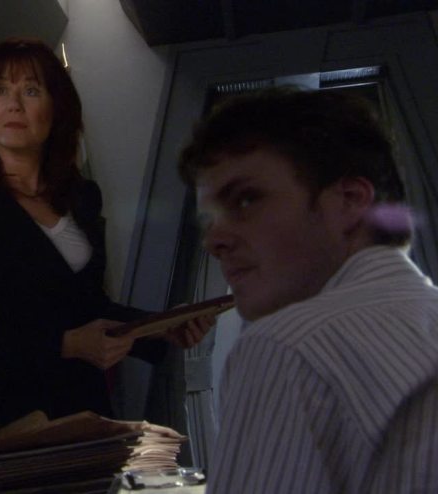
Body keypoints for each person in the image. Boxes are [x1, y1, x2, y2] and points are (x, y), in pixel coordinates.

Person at [0, 37, 213, 441]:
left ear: (56, 110)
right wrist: (66, 344)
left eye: (31, 90)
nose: (13, 104)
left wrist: (158, 327)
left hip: (85, 411)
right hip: (9, 421)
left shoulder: (81, 197)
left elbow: (88, 305)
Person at [178, 87, 438, 493]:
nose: (214, 240)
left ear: (349, 200)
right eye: (210, 219)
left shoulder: (286, 347)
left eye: (245, 200)